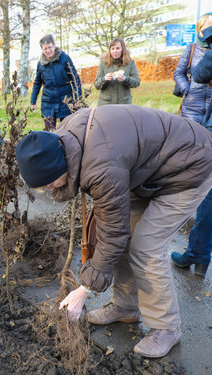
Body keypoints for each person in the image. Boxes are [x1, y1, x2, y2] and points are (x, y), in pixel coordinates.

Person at [15, 104, 212, 358]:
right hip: (148, 171)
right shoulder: (62, 141)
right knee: (126, 235)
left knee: (145, 246)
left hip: (190, 168)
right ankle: (126, 307)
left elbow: (112, 233)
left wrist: (85, 290)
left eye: (49, 183)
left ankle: (167, 328)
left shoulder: (99, 166)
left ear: (58, 169)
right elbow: (116, 231)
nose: (49, 190)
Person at [171, 13, 212, 276]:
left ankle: (197, 253)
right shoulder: (193, 48)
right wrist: (185, 89)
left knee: (207, 185)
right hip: (195, 112)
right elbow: (185, 73)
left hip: (209, 118)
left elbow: (201, 72)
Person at [31, 34, 82, 131]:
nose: (48, 51)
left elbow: (75, 79)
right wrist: (33, 101)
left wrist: (78, 98)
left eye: (50, 47)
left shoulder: (64, 59)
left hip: (65, 99)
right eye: (45, 48)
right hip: (48, 101)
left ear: (54, 46)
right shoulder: (41, 64)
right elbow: (37, 83)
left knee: (67, 129)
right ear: (42, 49)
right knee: (48, 130)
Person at [173, 13, 212, 124]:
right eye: (208, 26)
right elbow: (178, 73)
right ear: (200, 28)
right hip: (191, 109)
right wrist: (187, 89)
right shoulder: (192, 48)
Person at [93, 38, 140, 106]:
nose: (115, 51)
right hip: (106, 106)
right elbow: (96, 85)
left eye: (118, 48)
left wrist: (126, 79)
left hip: (124, 105)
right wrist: (104, 79)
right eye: (113, 48)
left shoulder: (130, 63)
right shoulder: (103, 63)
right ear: (110, 50)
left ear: (123, 49)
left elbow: (137, 82)